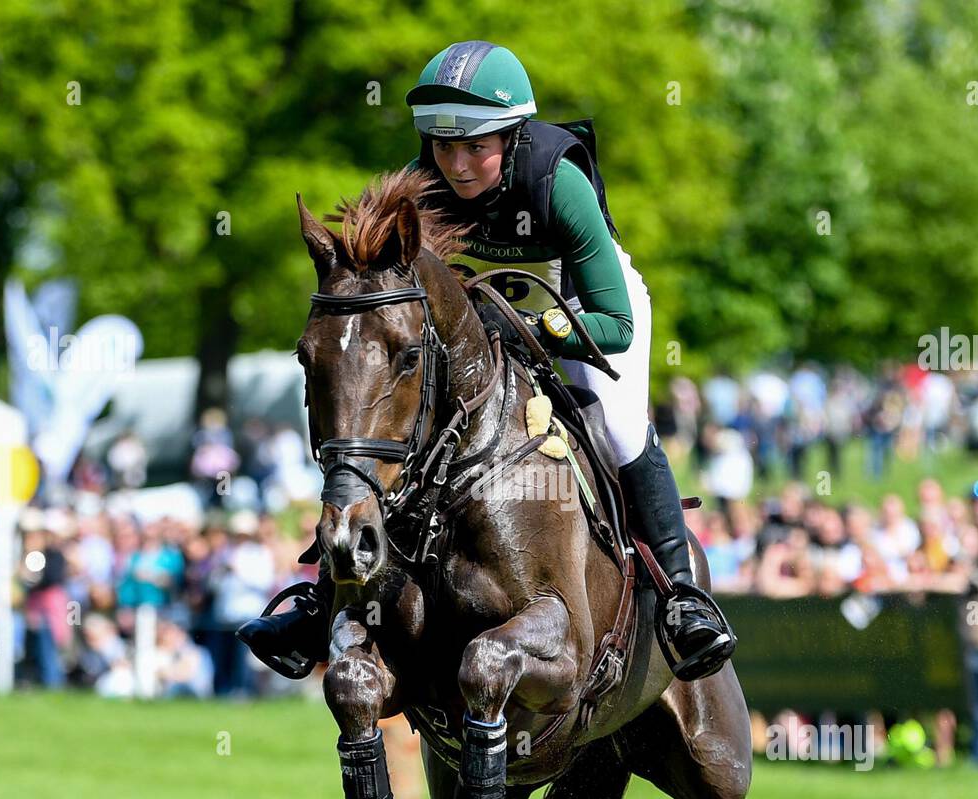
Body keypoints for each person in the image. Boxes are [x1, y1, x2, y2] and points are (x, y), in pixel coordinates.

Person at [241, 40, 735, 681]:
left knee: (616, 425)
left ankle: (681, 597)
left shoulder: (559, 182)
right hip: (478, 328)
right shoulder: (419, 189)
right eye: (445, 147)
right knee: (403, 433)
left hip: (582, 310)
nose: (459, 164)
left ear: (513, 133)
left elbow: (613, 324)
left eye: (477, 146)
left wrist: (530, 326)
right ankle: (324, 602)